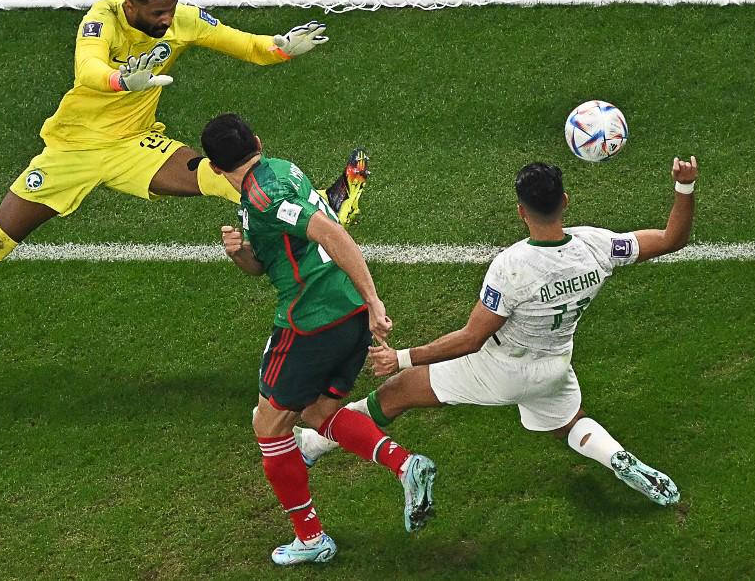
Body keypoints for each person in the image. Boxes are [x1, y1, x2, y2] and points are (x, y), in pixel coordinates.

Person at [0, 0, 368, 395]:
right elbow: (87, 70)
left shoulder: (181, 20)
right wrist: (122, 81)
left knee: (225, 176)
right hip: (71, 152)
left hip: (134, 146)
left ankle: (322, 203)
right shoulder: (101, 20)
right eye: (157, 12)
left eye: (171, 7)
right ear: (130, 4)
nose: (167, 19)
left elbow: (243, 44)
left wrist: (280, 48)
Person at [296, 157, 700, 507]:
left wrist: (400, 357)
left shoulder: (512, 267)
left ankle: (312, 444)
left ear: (521, 211)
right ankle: (616, 458)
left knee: (398, 391)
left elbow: (471, 339)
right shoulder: (598, 246)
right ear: (564, 201)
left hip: (500, 367)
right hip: (555, 366)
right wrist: (685, 186)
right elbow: (672, 239)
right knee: (568, 422)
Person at [204, 113, 436, 566]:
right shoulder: (280, 171)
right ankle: (406, 465)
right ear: (258, 141)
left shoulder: (263, 197)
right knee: (317, 412)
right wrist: (241, 253)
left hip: (311, 320)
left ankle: (310, 538)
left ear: (214, 167)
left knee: (269, 426)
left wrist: (375, 300)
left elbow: (330, 232)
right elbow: (265, 263)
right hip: (346, 312)